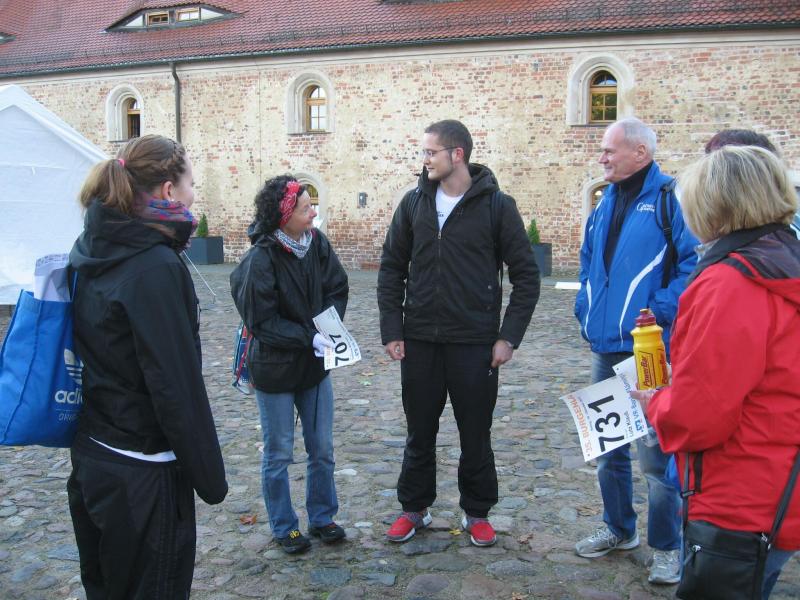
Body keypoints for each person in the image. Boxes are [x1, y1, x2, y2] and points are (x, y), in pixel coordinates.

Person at [634, 145, 800, 598]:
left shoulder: (730, 281)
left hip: (741, 494)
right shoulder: (783, 261)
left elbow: (699, 416)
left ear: (710, 207)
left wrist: (657, 402)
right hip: (780, 482)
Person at [67, 134, 228, 599]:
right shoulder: (154, 266)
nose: (194, 195)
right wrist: (210, 477)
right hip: (143, 472)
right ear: (168, 190)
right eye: (191, 184)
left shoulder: (94, 245)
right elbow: (174, 383)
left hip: (95, 457)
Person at [377, 119, 540, 547]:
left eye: (431, 152)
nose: (425, 160)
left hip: (475, 344)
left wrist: (508, 336)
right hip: (421, 341)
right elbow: (392, 268)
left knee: (475, 434)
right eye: (424, 152)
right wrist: (392, 328)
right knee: (419, 432)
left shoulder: (497, 206)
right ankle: (414, 508)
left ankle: (477, 512)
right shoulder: (413, 204)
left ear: (457, 154)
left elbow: (526, 276)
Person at [573, 117, 699, 584]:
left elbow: (694, 265)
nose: (602, 157)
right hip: (604, 347)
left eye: (610, 150)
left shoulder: (670, 200)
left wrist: (658, 311)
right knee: (608, 447)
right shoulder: (603, 202)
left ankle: (667, 547)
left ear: (640, 153)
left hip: (649, 352)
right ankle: (618, 528)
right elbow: (588, 264)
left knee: (657, 458)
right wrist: (584, 308)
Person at [230, 175, 349, 554]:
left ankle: (322, 516)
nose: (313, 213)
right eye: (305, 208)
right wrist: (307, 336)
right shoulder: (260, 259)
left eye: (312, 205)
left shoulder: (317, 244)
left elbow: (337, 286)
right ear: (284, 216)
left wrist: (330, 325)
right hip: (275, 370)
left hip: (314, 368)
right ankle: (284, 526)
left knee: (322, 448)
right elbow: (261, 321)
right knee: (278, 453)